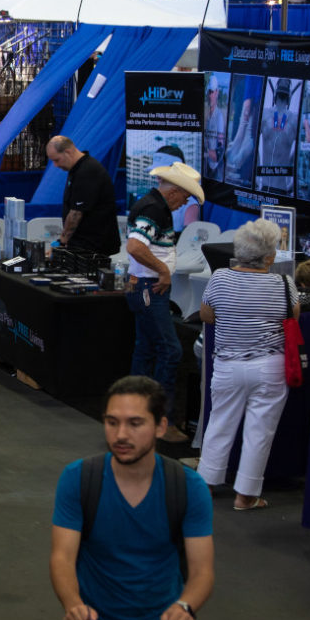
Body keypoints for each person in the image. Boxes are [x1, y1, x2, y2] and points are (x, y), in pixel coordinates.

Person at [49, 375, 213, 620]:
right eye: (112, 422)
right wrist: (73, 605)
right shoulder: (78, 479)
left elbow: (202, 571)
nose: (120, 434)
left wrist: (185, 607)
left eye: (135, 423)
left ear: (161, 426)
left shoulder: (189, 488)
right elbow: (61, 558)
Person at [196, 220, 293, 511]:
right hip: (269, 366)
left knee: (219, 424)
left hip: (227, 363)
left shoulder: (220, 278)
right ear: (270, 256)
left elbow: (206, 315)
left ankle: (205, 487)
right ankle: (245, 496)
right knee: (259, 431)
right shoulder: (284, 284)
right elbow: (293, 318)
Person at [124, 161, 201, 435]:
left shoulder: (153, 206)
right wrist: (163, 271)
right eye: (185, 196)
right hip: (150, 288)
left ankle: (135, 411)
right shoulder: (155, 209)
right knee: (170, 350)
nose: (185, 202)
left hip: (143, 286)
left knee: (146, 348)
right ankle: (160, 419)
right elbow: (134, 246)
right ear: (175, 191)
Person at [47, 135, 120, 256]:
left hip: (92, 245)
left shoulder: (87, 171)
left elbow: (76, 212)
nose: (55, 165)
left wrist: (62, 242)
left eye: (57, 160)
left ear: (68, 152)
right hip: (82, 242)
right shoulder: (76, 169)